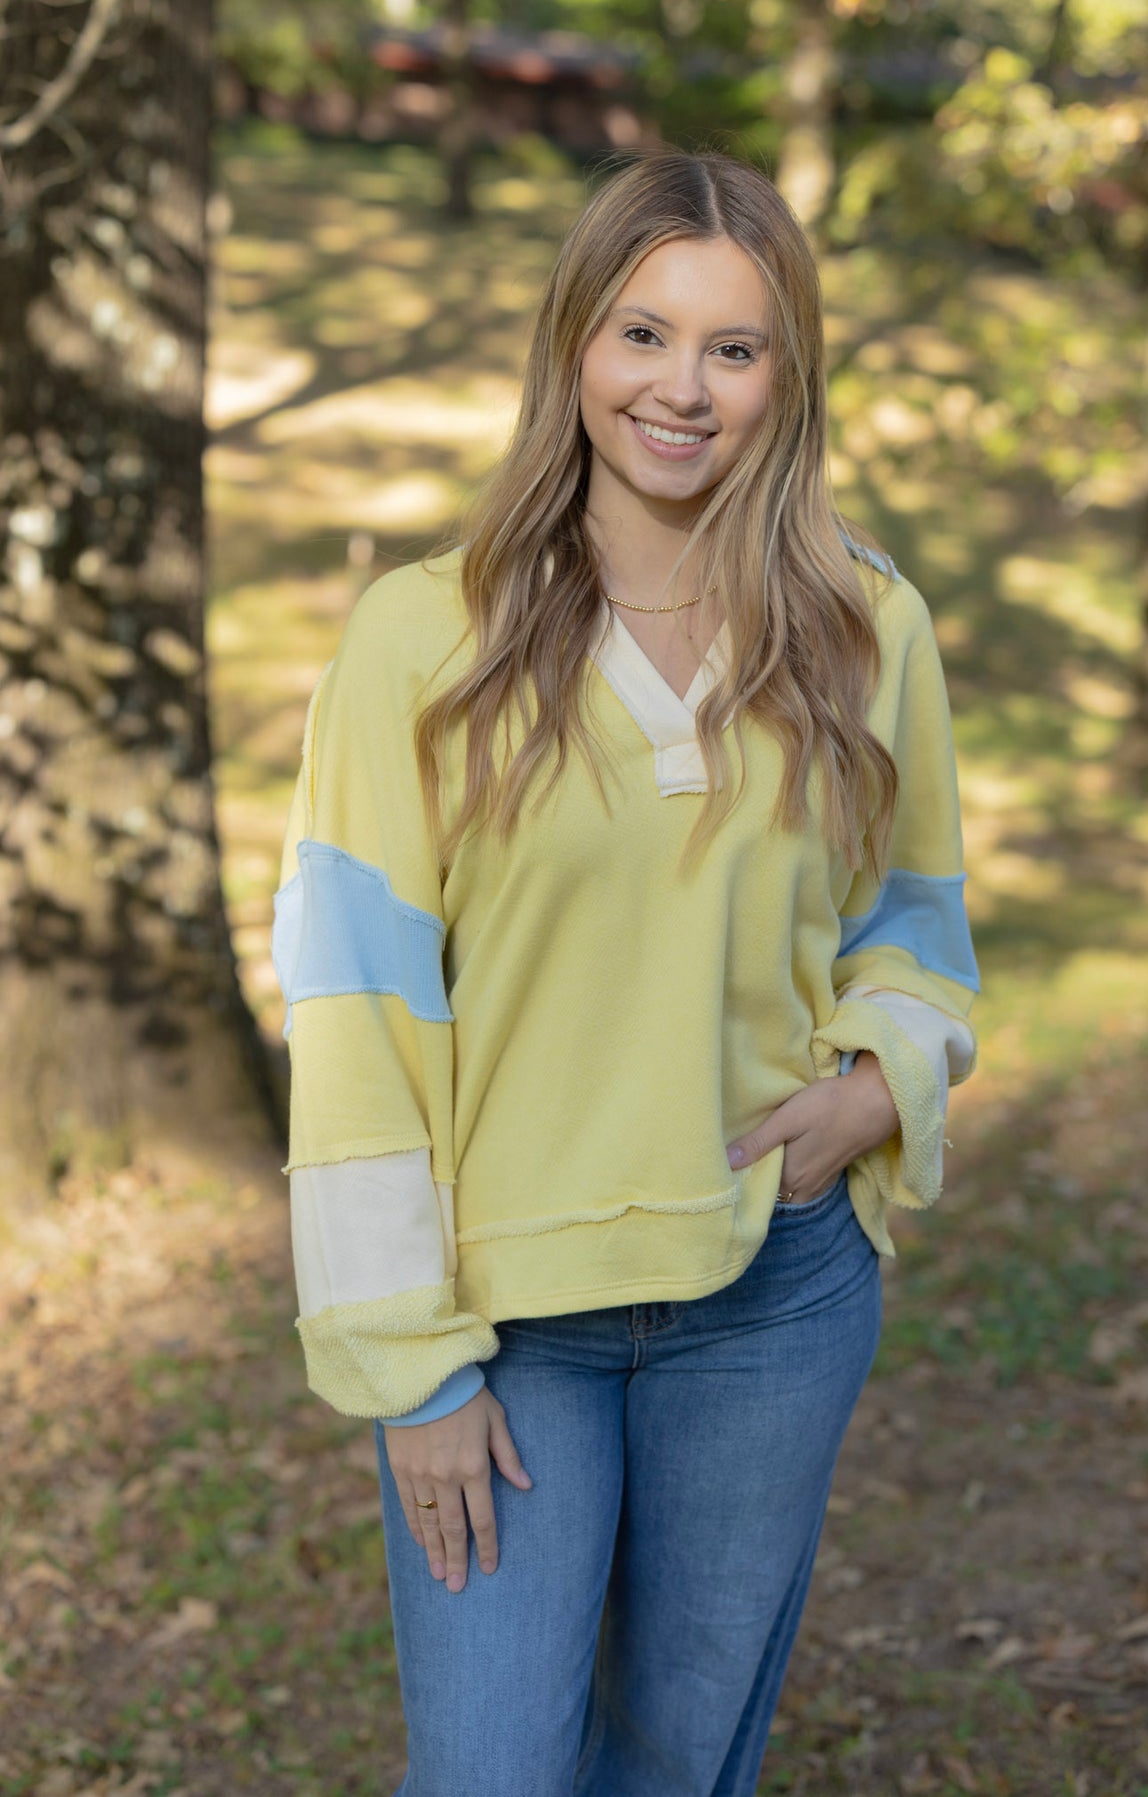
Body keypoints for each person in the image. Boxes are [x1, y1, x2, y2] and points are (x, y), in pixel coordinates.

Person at [271, 146, 979, 1797]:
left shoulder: (867, 626)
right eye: (641, 334)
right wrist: (414, 1367)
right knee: (491, 1771)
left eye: (733, 349)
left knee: (679, 1760)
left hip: (772, 1297)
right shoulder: (420, 638)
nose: (681, 389)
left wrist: (870, 1092)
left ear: (785, 377)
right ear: (572, 345)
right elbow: (357, 1020)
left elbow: (917, 929)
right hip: (508, 1324)